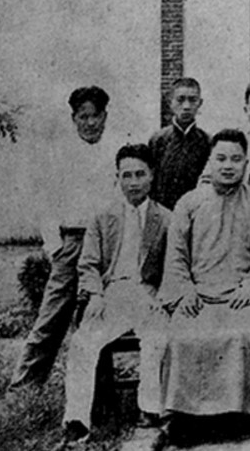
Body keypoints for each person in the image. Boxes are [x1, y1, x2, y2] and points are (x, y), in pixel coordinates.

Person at [154, 130, 250, 447]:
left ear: (246, 162)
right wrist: (185, 289)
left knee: (240, 335)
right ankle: (183, 418)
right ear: (210, 160)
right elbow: (176, 255)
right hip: (197, 294)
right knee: (183, 337)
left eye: (236, 159)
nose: (228, 166)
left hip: (239, 296)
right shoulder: (189, 203)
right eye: (221, 158)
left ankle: (233, 417)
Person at [59, 145, 171, 446]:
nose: (133, 182)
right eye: (126, 175)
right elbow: (88, 264)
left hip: (148, 293)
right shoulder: (102, 217)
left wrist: (162, 298)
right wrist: (95, 295)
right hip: (112, 295)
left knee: (157, 338)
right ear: (117, 177)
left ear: (152, 176)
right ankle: (77, 421)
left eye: (140, 174)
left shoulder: (166, 219)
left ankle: (149, 410)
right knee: (83, 342)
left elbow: (173, 268)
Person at [11, 85, 116, 388]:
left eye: (96, 116)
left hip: (106, 244)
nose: (90, 123)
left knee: (97, 318)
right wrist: (55, 247)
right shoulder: (60, 154)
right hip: (71, 241)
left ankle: (98, 394)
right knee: (52, 316)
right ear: (74, 119)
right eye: (83, 116)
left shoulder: (116, 150)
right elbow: (46, 202)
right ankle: (24, 388)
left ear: (105, 116)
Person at [149, 78, 211, 210]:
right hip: (163, 213)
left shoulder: (208, 142)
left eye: (192, 100)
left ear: (200, 103)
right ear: (170, 102)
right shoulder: (158, 140)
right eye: (180, 100)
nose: (186, 106)